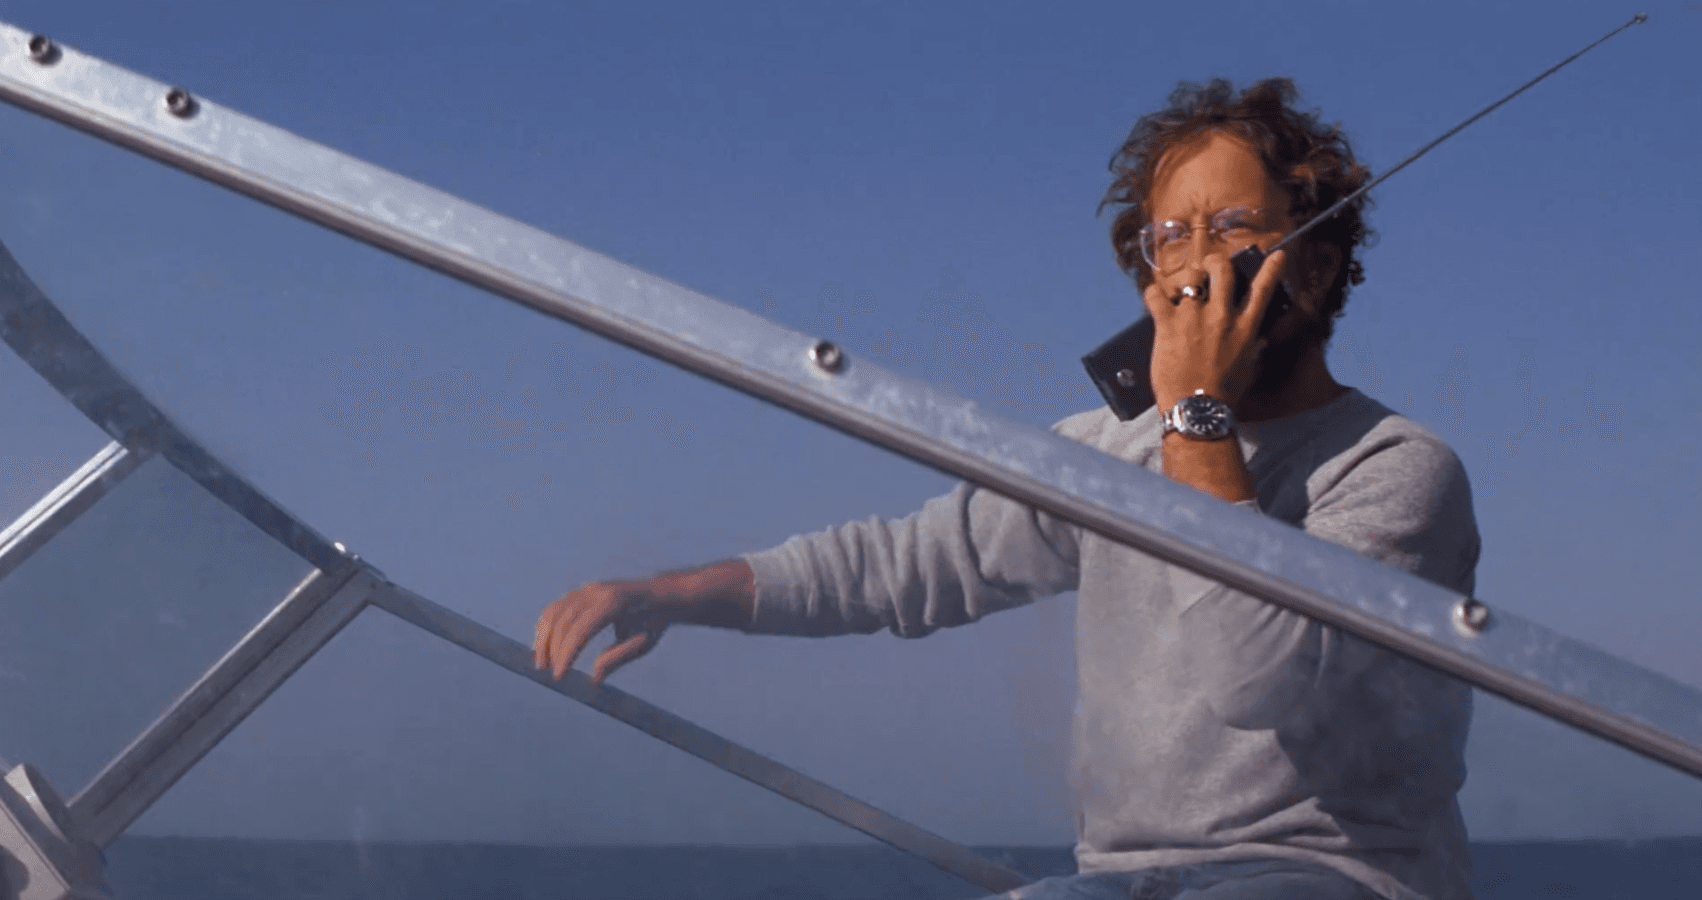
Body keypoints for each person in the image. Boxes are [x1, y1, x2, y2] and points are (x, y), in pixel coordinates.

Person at [534, 78, 1480, 900]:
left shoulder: (1395, 469)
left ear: (1312, 260)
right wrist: (673, 593)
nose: (1196, 263)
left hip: (1331, 877)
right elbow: (905, 568)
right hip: (1122, 880)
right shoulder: (1107, 452)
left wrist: (1196, 414)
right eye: (1171, 237)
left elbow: (1255, 678)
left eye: (1231, 228)